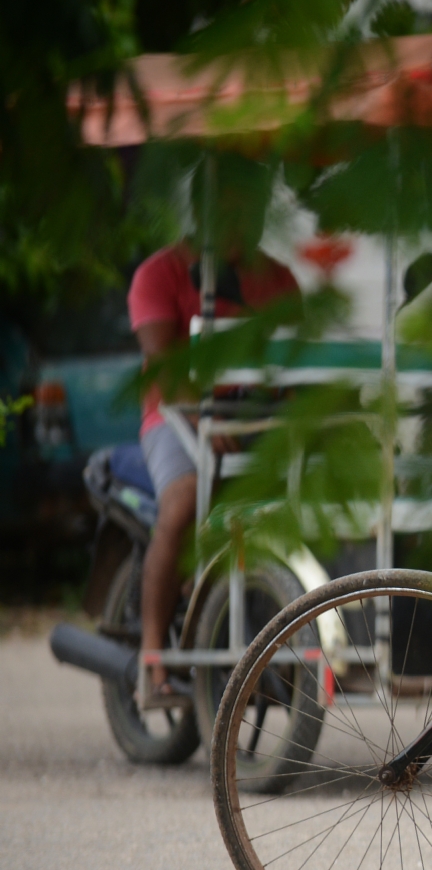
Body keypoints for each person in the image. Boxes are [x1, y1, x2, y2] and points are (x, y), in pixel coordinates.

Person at [128, 221, 299, 708]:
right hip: (175, 418)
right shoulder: (158, 275)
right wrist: (206, 416)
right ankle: (154, 656)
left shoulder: (279, 278)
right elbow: (163, 364)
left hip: (255, 423)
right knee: (182, 503)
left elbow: (294, 361)